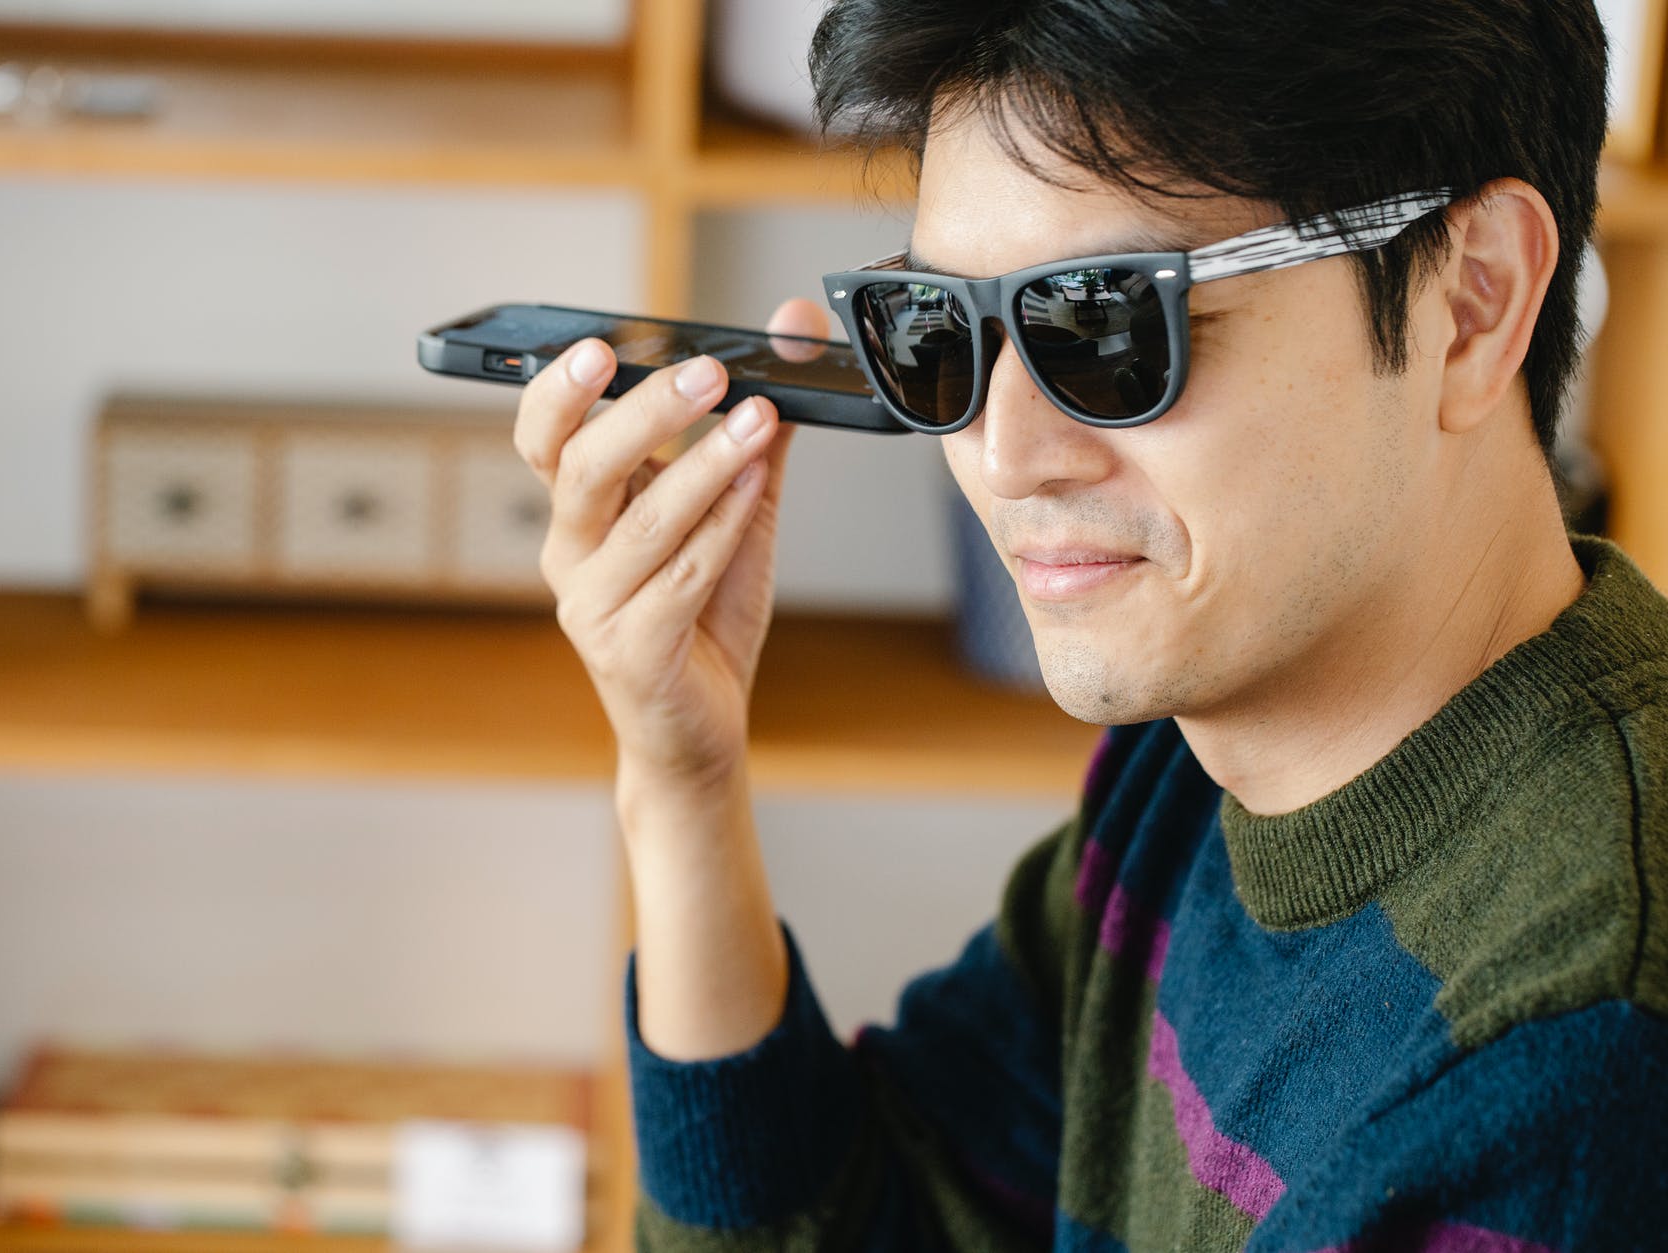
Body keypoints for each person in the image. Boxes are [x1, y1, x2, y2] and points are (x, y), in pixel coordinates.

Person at [513, 0, 1667, 1247]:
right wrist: (681, 776)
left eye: (1107, 325)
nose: (1002, 455)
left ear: (1471, 299)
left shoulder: (1577, 1054)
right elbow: (858, 1219)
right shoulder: (1200, 756)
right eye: (938, 333)